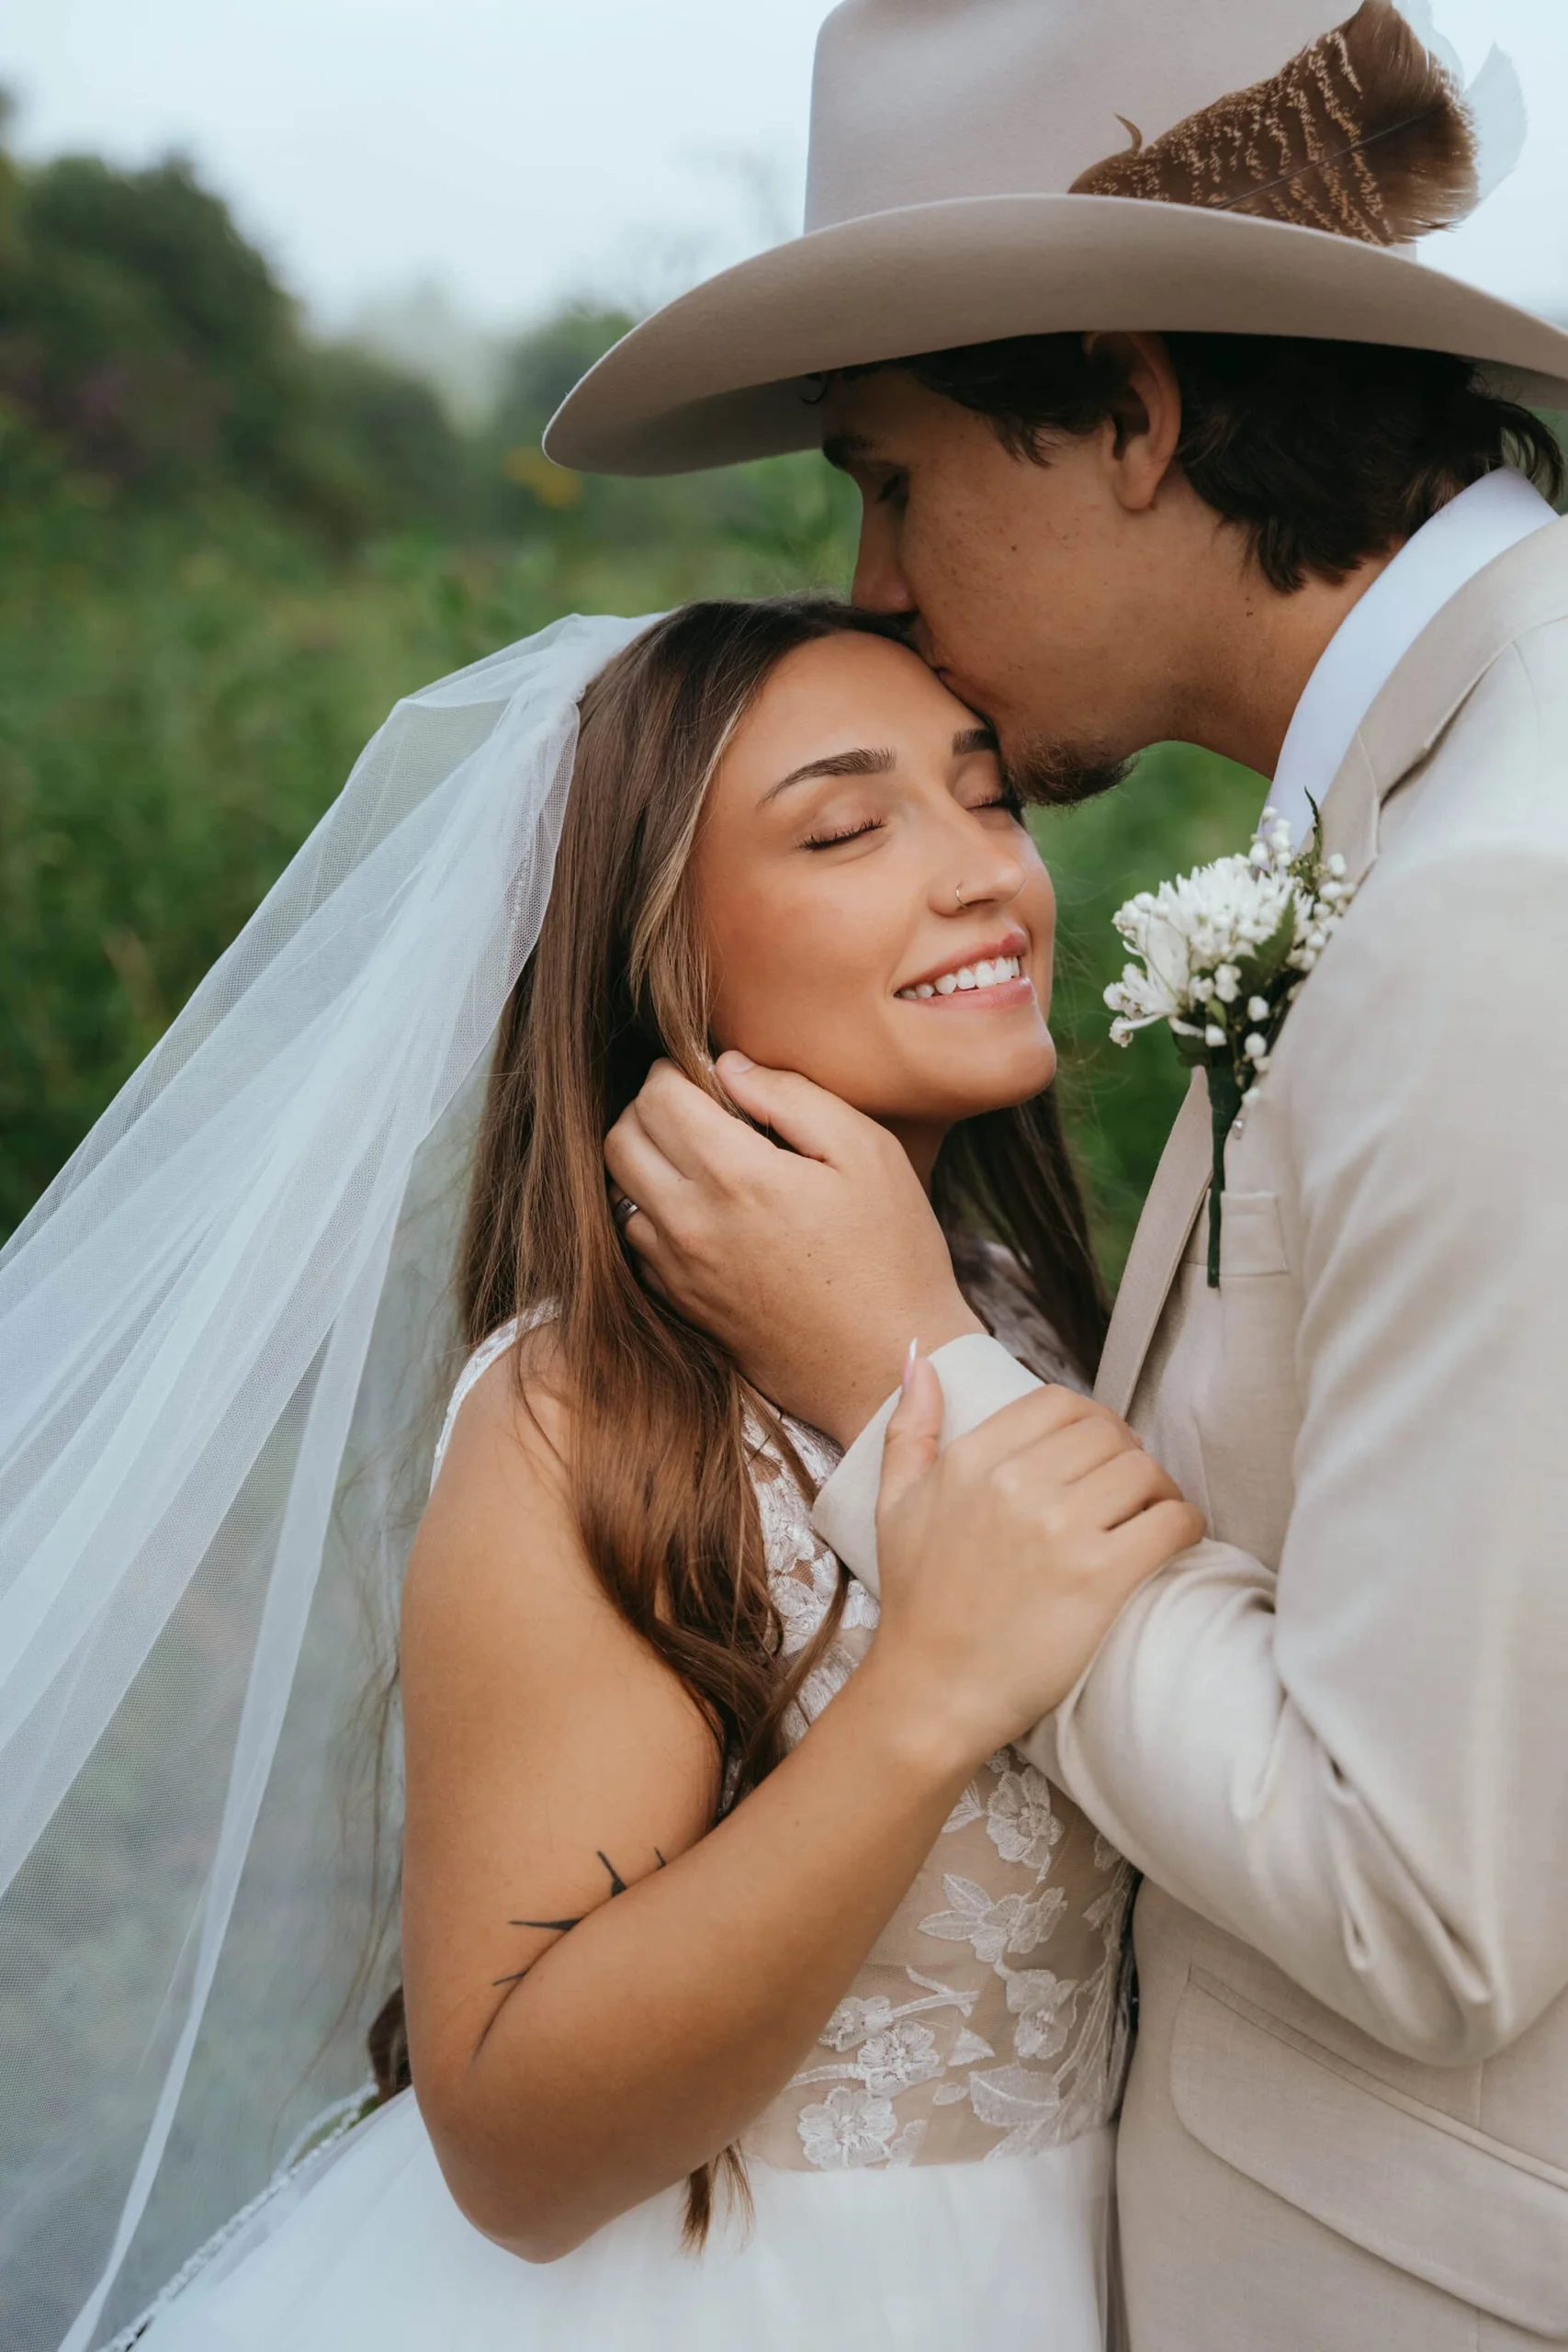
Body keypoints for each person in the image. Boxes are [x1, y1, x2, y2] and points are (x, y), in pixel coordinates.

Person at [551, 5, 1568, 2348]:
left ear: (1131, 409)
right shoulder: (1445, 801)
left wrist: (913, 1378)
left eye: (889, 476)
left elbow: (1420, 1900)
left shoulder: (1497, 900)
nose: (876, 577)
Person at [39, 597, 1199, 2352]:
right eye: (846, 826)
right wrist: (930, 1692)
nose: (981, 875)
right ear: (660, 948)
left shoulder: (1030, 1323)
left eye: (987, 802)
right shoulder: (596, 1416)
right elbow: (514, 2144)